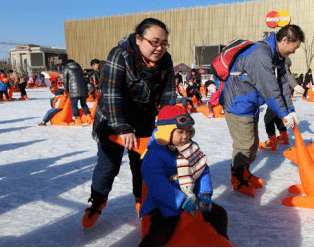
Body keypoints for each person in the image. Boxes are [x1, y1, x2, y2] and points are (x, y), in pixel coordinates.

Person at [83, 18, 177, 229]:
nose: (159, 48)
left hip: (143, 121)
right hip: (111, 120)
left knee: (143, 166)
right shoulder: (120, 55)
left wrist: (169, 123)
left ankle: (141, 201)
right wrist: (122, 128)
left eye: (164, 43)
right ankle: (98, 200)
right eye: (154, 42)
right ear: (139, 38)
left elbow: (168, 95)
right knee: (108, 166)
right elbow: (112, 95)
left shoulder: (166, 60)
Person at [220, 24, 304, 197]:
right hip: (238, 103)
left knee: (253, 144)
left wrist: (290, 109)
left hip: (251, 103)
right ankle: (237, 178)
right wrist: (283, 114)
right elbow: (269, 88)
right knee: (244, 145)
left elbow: (282, 84)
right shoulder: (261, 53)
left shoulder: (277, 57)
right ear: (285, 40)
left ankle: (244, 172)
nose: (294, 52)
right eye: (294, 48)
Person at [139, 105, 228, 246]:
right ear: (166, 133)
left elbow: (202, 170)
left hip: (192, 198)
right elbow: (158, 185)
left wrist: (204, 193)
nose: (185, 136)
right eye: (180, 132)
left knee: (220, 214)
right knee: (162, 231)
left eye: (188, 131)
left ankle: (220, 240)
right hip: (164, 203)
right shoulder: (154, 155)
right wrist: (181, 200)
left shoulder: (191, 148)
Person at [62, 60, 91, 125]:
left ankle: (78, 119)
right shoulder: (79, 67)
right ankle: (88, 117)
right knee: (84, 104)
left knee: (74, 105)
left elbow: (65, 81)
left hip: (73, 90)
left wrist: (66, 90)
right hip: (83, 89)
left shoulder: (67, 68)